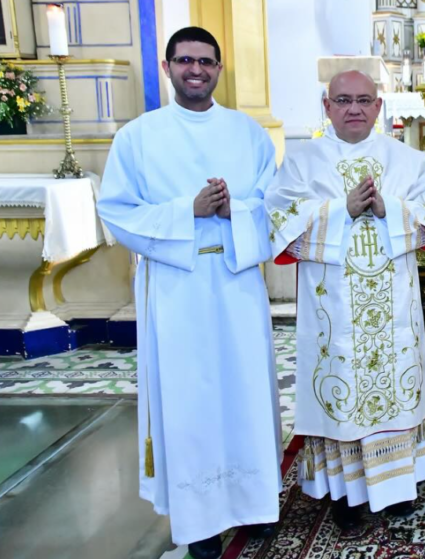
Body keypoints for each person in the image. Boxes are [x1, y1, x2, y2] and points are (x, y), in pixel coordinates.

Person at [97, 27, 281, 559]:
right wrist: (188, 212)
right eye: (184, 60)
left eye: (205, 61)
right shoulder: (138, 137)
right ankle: (200, 521)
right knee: (190, 401)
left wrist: (235, 211)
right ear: (167, 66)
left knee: (246, 393)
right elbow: (116, 212)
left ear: (219, 69)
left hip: (235, 285)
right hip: (175, 290)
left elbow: (276, 207)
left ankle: (255, 504)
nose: (195, 69)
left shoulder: (247, 134)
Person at [264, 69, 425, 530]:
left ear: (379, 107)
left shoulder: (408, 161)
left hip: (394, 310)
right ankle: (348, 494)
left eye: (364, 100)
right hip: (335, 310)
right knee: (341, 387)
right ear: (326, 107)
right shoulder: (302, 161)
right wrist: (339, 210)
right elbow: (278, 219)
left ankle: (398, 484)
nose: (354, 109)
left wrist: (391, 210)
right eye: (343, 100)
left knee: (397, 385)